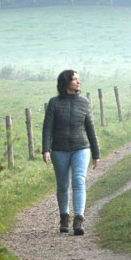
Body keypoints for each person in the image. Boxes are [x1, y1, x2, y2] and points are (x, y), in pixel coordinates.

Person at [42, 69, 100, 235]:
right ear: (66, 83)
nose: (78, 82)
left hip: (81, 147)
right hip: (59, 150)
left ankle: (78, 220)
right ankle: (64, 218)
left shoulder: (84, 103)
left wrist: (96, 153)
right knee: (63, 184)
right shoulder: (54, 103)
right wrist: (46, 149)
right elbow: (47, 128)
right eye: (75, 79)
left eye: (79, 79)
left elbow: (90, 128)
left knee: (79, 181)